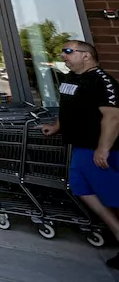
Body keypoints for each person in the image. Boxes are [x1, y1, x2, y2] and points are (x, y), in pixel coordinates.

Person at [43, 40, 119, 268]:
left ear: (86, 55)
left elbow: (113, 117)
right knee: (80, 188)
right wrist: (57, 126)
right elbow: (67, 108)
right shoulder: (70, 79)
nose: (63, 56)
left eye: (68, 51)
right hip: (80, 147)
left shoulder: (102, 81)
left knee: (112, 197)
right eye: (63, 52)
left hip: (99, 149)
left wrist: (103, 148)